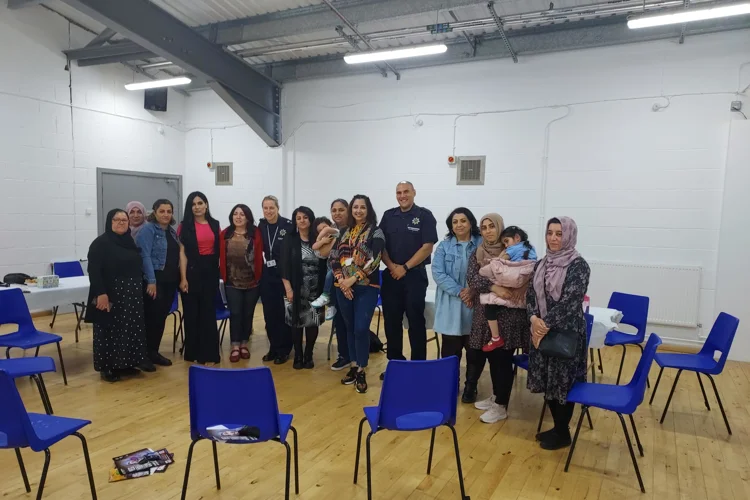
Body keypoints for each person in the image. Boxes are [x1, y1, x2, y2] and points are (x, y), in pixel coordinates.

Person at [527, 217, 590, 450]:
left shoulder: (579, 265)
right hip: (541, 331)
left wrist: (543, 325)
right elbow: (531, 296)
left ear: (569, 236)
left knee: (562, 383)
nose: (553, 238)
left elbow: (571, 302)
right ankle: (557, 427)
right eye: (549, 233)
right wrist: (533, 319)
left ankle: (563, 432)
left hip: (566, 333)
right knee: (547, 381)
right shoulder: (541, 264)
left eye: (559, 234)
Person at [465, 214, 530, 423]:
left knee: (502, 359)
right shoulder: (477, 252)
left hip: (509, 314)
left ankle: (501, 405)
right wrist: (494, 286)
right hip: (485, 314)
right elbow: (473, 278)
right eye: (483, 227)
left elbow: (525, 274)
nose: (488, 231)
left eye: (492, 226)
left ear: (500, 228)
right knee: (492, 358)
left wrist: (511, 285)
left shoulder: (515, 252)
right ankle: (496, 396)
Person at [326, 195, 385, 394]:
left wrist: (353, 279)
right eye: (355, 207)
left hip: (366, 287)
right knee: (350, 327)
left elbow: (375, 260)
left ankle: (362, 368)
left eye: (362, 207)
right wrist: (342, 280)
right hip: (343, 287)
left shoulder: (376, 232)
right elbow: (333, 258)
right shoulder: (343, 232)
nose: (358, 210)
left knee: (360, 328)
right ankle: (353, 365)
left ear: (368, 210)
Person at [379, 181, 438, 378]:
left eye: (406, 192)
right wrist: (392, 267)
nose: (402, 195)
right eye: (399, 192)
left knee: (415, 321)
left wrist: (404, 267)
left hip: (414, 276)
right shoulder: (388, 216)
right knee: (391, 322)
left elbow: (427, 246)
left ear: (414, 193)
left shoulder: (424, 216)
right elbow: (380, 245)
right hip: (391, 275)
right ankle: (395, 364)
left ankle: (418, 366)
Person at [85, 209, 150, 382]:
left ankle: (127, 364)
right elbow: (94, 271)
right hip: (110, 292)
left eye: (124, 220)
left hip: (131, 293)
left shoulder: (129, 241)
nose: (121, 222)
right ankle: (107, 367)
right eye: (117, 219)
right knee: (109, 330)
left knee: (129, 329)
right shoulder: (101, 243)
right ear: (109, 222)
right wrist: (101, 294)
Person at [432, 208, 482, 362]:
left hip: (474, 305)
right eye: (455, 222)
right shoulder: (444, 246)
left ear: (470, 223)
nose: (459, 225)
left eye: (463, 220)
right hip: (451, 306)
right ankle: (450, 385)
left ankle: (470, 386)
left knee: (474, 354)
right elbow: (438, 273)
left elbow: (489, 270)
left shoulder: (482, 244)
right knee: (450, 353)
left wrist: (472, 291)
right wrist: (461, 292)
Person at [281, 206, 328, 370]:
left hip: (316, 288)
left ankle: (309, 354)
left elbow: (325, 262)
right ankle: (298, 355)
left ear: (311, 219)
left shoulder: (318, 238)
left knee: (312, 322)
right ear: (295, 221)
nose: (302, 220)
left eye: (305, 217)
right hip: (294, 288)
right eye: (298, 217)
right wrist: (288, 289)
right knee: (296, 323)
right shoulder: (290, 238)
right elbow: (284, 265)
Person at [136, 199, 180, 367]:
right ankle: (143, 355)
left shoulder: (172, 231)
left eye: (169, 211)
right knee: (151, 319)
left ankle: (154, 352)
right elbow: (144, 255)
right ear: (154, 212)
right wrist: (151, 281)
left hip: (170, 282)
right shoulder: (148, 230)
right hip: (155, 281)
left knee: (160, 318)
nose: (166, 214)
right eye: (162, 211)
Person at [178, 192, 221, 366]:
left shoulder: (214, 224)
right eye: (193, 204)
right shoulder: (184, 226)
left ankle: (209, 353)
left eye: (200, 203)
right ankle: (193, 352)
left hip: (210, 271)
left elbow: (218, 251)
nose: (197, 207)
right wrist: (183, 278)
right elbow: (182, 253)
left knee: (208, 313)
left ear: (206, 205)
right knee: (191, 313)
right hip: (191, 271)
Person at [480, 226, 538, 352]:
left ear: (517, 238)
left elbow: (500, 261)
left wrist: (493, 262)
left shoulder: (513, 248)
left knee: (489, 305)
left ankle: (495, 337)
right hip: (524, 283)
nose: (505, 245)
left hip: (514, 276)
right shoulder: (532, 248)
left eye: (506, 241)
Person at [219, 204, 264, 363]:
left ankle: (244, 343)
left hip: (252, 282)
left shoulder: (256, 233)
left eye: (242, 214)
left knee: (247, 314)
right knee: (235, 313)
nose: (238, 217)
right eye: (235, 214)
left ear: (248, 217)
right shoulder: (225, 234)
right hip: (232, 282)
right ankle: (235, 345)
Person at [258, 195, 294, 365]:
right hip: (268, 275)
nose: (268, 211)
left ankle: (284, 350)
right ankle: (273, 347)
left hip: (284, 274)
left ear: (278, 208)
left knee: (283, 313)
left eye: (271, 207)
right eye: (265, 208)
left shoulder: (287, 226)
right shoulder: (261, 226)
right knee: (269, 313)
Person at [324, 199, 351, 371]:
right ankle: (344, 356)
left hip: (352, 281)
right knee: (340, 321)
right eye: (334, 210)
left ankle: (357, 357)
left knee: (351, 322)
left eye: (341, 210)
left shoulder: (355, 229)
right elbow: (323, 253)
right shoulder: (332, 231)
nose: (337, 213)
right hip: (336, 281)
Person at [311, 216, 338, 321]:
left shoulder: (336, 232)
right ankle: (331, 306)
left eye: (324, 227)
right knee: (329, 280)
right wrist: (322, 241)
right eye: (319, 231)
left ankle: (325, 295)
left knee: (329, 276)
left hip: (340, 265)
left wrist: (321, 238)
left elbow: (328, 230)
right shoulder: (324, 240)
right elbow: (317, 250)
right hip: (330, 264)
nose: (323, 231)